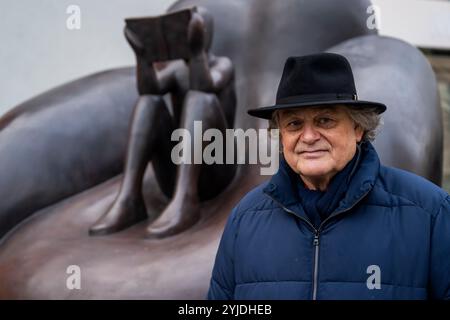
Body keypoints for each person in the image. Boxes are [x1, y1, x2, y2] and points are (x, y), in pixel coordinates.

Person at [207, 53, 450, 300]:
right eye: (294, 124)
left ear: (358, 128)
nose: (309, 136)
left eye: (325, 120)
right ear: (281, 135)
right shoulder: (245, 218)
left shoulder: (430, 213)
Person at [89, 7, 236, 238]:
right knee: (150, 102)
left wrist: (196, 52)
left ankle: (186, 200)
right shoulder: (176, 71)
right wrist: (142, 58)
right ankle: (130, 199)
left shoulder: (223, 65)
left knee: (201, 99)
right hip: (176, 171)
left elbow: (205, 86)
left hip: (216, 168)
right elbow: (149, 89)